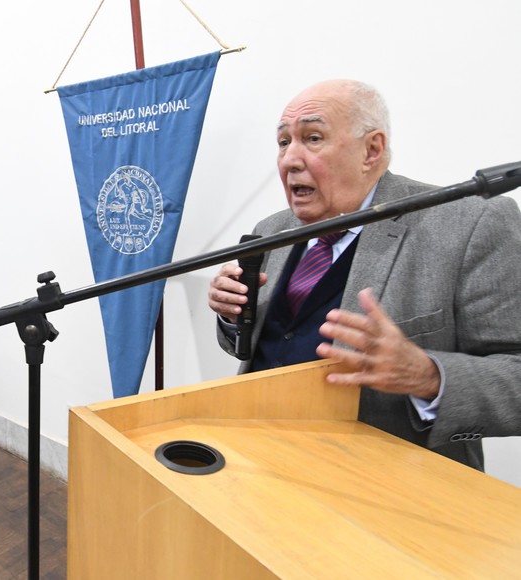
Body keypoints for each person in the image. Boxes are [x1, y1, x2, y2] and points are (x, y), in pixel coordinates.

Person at [207, 79, 521, 470]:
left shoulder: (471, 223)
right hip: (258, 463)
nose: (289, 160)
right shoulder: (270, 231)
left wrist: (429, 376)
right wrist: (232, 314)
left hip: (391, 489)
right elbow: (258, 346)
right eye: (284, 142)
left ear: (371, 150)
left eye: (313, 137)